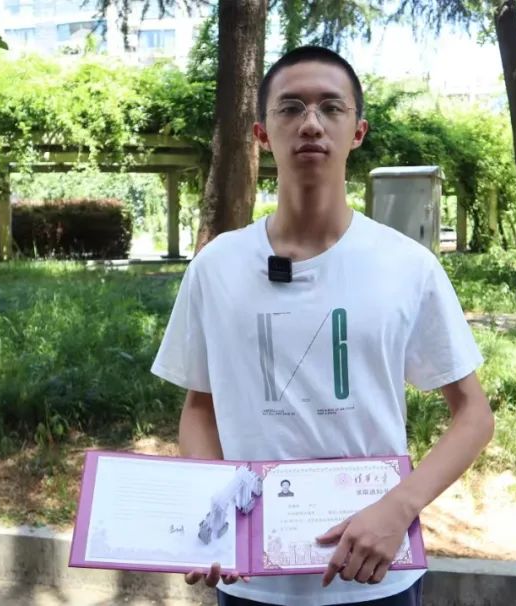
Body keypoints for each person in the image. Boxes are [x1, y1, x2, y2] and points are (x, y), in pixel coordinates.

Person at [151, 45, 495, 606]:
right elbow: (198, 409)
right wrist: (211, 507)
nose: (311, 123)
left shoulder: (407, 265)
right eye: (290, 108)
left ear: (357, 131)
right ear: (262, 134)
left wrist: (399, 507)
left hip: (374, 578)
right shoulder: (217, 267)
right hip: (252, 584)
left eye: (331, 107)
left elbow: (474, 415)